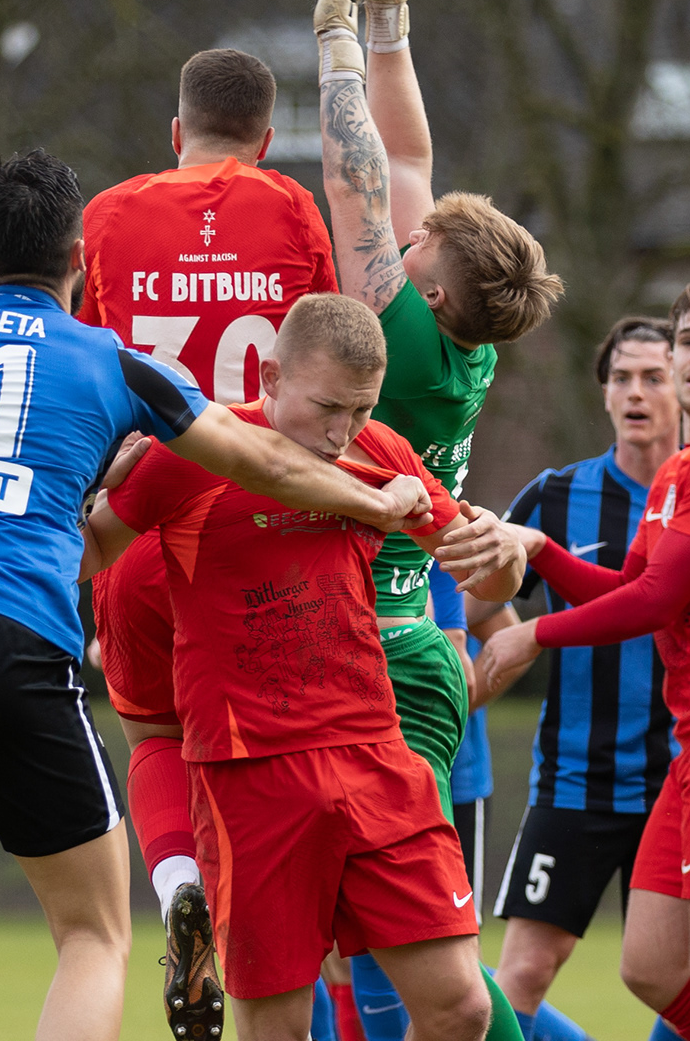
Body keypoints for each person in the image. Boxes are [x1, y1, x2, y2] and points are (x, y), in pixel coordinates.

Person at [0, 151, 431, 1041]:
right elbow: (258, 458)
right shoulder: (111, 360)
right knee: (90, 934)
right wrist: (377, 500)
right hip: (9, 628)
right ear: (79, 256)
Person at [79, 293, 526, 1041]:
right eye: (327, 408)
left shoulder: (383, 451)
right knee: (276, 1029)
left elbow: (483, 576)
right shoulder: (189, 453)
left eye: (360, 409)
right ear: (271, 375)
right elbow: (91, 552)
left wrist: (507, 557)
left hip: (375, 755)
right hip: (252, 775)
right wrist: (86, 478)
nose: (341, 431)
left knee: (461, 1007)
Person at [312, 0, 560, 1041]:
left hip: (374, 654)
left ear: (440, 296)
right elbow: (408, 166)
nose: (398, 255)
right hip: (411, 637)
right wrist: (395, 15)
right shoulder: (465, 341)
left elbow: (360, 175)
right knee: (405, 962)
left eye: (417, 261)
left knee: (421, 971)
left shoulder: (402, 343)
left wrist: (335, 39)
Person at [480, 277, 690, 1041]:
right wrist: (542, 549)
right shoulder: (681, 469)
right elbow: (631, 585)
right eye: (689, 340)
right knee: (649, 965)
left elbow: (656, 603)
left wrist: (529, 634)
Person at [75, 45, 342, 1039]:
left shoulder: (106, 214)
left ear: (175, 130)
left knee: (153, 732)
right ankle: (275, 943)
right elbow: (326, 350)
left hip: (142, 517)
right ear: (270, 140)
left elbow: (92, 370)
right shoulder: (291, 209)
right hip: (258, 529)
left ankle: (181, 884)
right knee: (274, 757)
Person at [468, 317, 682, 1041]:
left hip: (680, 779)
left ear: (685, 387)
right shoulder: (556, 496)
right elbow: (476, 606)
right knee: (520, 973)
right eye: (621, 378)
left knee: (685, 980)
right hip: (575, 780)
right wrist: (474, 674)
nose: (636, 392)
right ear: (602, 394)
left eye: (654, 377)